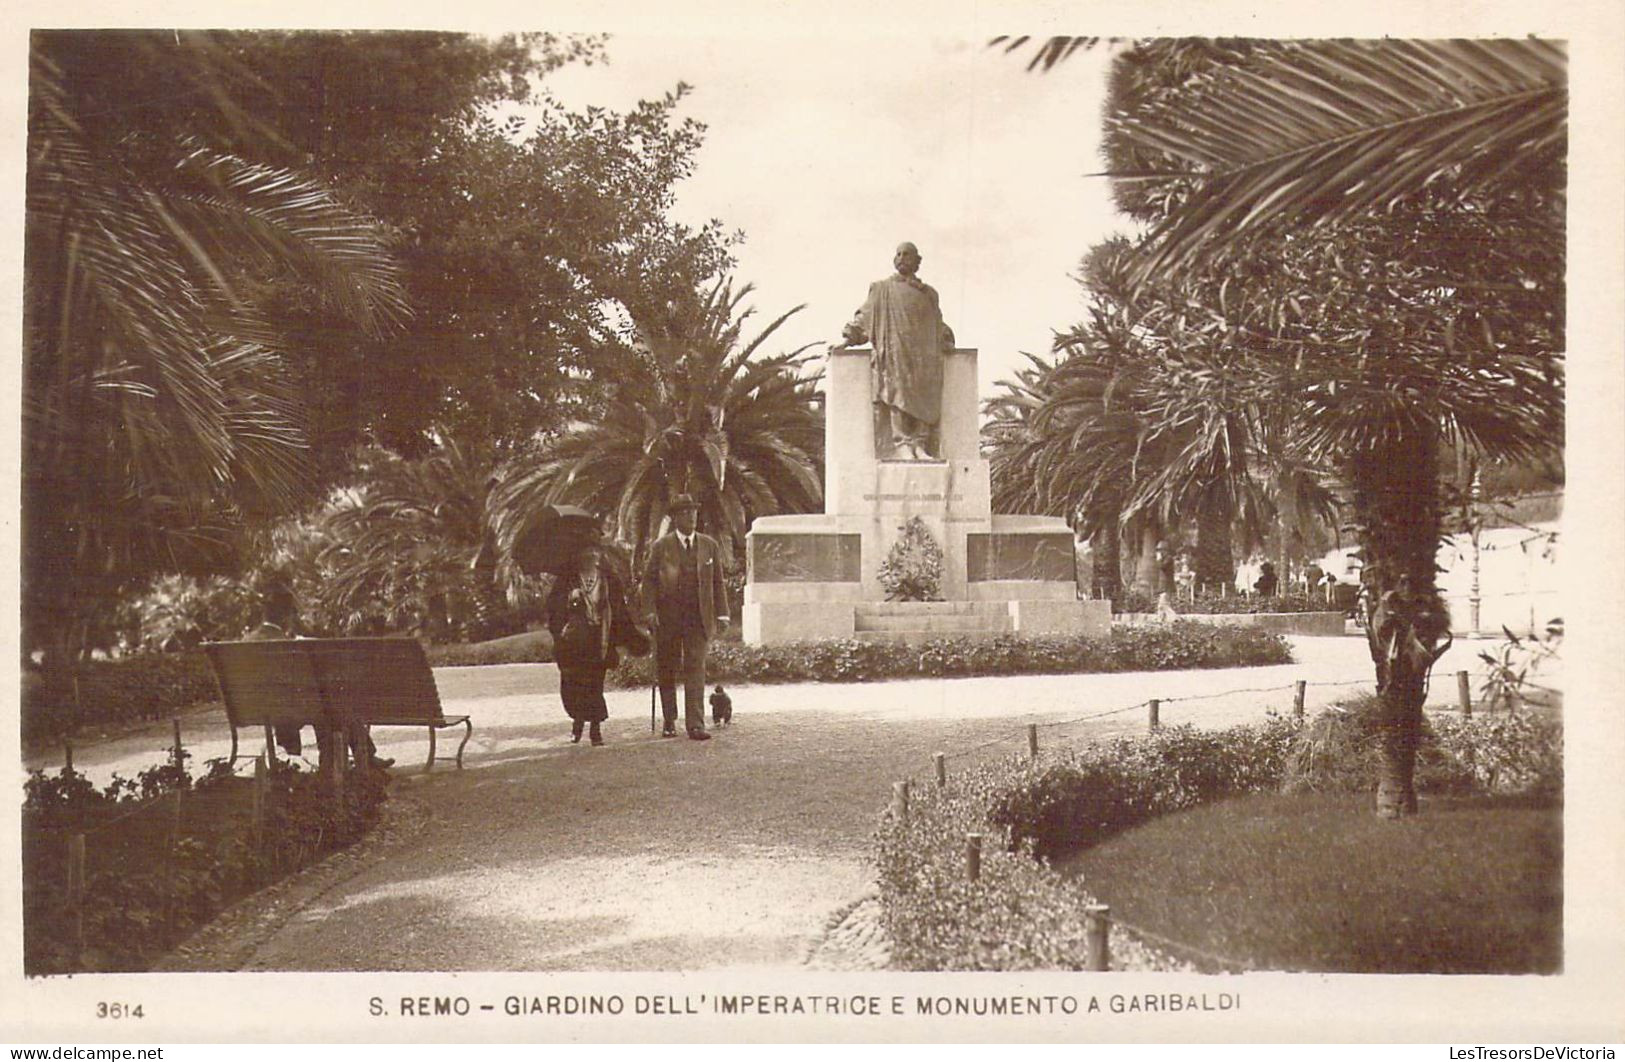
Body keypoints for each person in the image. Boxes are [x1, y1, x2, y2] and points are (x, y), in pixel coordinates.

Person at [247, 570, 391, 770]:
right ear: (288, 615)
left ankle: (342, 759)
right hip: (288, 709)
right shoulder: (285, 644)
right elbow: (300, 680)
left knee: (326, 701)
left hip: (255, 708)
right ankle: (343, 761)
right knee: (333, 701)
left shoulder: (250, 641)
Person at [835, 241, 956, 460]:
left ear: (917, 261)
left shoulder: (929, 294)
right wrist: (848, 338)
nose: (901, 257)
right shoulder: (882, 289)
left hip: (923, 356)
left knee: (925, 396)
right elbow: (865, 316)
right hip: (894, 352)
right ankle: (902, 442)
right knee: (896, 393)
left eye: (907, 254)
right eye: (898, 254)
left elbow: (937, 322)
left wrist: (946, 338)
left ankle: (919, 444)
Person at [642, 494, 729, 741]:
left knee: (696, 670)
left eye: (693, 512)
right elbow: (648, 581)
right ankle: (669, 720)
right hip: (667, 619)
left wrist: (722, 613)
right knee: (666, 669)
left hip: (698, 620)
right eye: (685, 513)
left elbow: (717, 582)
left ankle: (696, 725)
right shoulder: (661, 546)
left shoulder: (709, 545)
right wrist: (649, 611)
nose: (691, 517)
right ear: (675, 517)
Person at [545, 536, 646, 746]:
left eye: (594, 551)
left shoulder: (608, 580)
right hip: (575, 642)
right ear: (578, 556)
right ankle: (578, 723)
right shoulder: (567, 580)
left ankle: (595, 730)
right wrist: (569, 602)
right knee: (575, 683)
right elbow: (553, 609)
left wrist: (635, 638)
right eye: (586, 551)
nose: (591, 555)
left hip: (600, 639)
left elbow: (620, 611)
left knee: (595, 685)